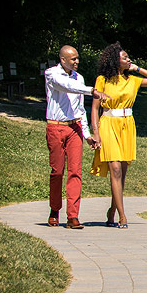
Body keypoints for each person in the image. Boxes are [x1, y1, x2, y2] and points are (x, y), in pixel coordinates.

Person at [90, 42, 147, 228]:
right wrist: (95, 133)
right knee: (114, 169)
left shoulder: (132, 80)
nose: (128, 59)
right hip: (108, 124)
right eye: (124, 57)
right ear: (115, 60)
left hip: (127, 126)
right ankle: (123, 216)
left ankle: (113, 210)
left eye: (128, 57)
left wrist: (137, 68)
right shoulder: (102, 80)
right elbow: (95, 108)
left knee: (122, 174)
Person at [44, 46, 108, 229]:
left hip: (74, 128)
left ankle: (73, 216)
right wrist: (92, 91)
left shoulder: (79, 78)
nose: (76, 62)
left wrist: (87, 134)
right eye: (72, 59)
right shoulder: (52, 74)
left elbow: (80, 109)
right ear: (62, 59)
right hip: (55, 126)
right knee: (57, 171)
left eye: (77, 58)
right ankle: (54, 210)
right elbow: (66, 86)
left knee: (75, 171)